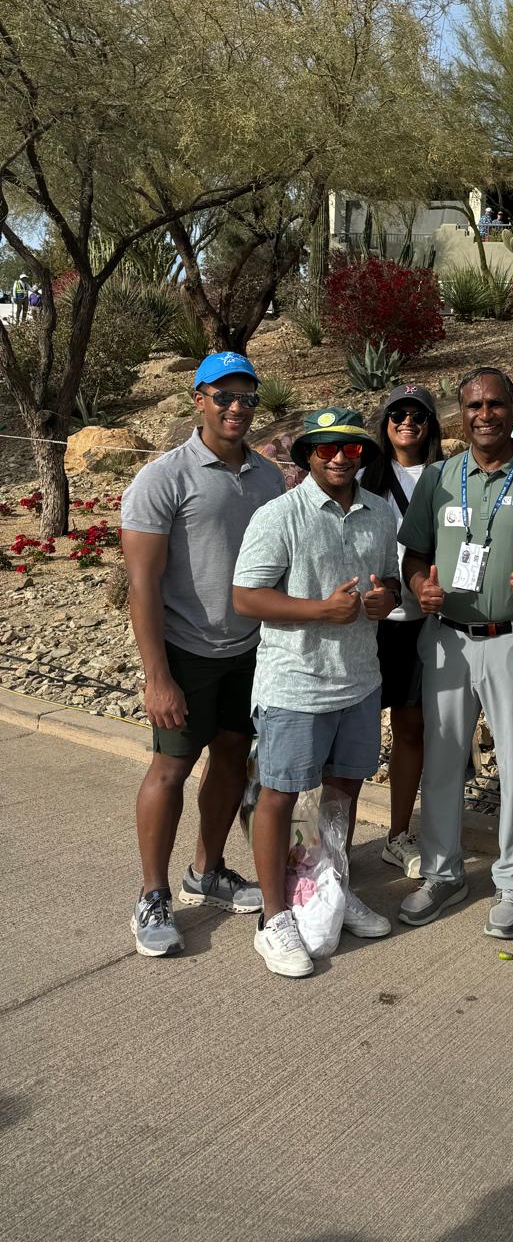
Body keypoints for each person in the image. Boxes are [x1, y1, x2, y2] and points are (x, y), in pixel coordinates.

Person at [397, 368, 513, 939]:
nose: (485, 414)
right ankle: (443, 872)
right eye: (474, 405)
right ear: (462, 412)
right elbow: (415, 554)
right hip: (449, 640)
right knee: (443, 758)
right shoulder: (440, 479)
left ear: (512, 408)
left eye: (496, 404)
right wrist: (420, 583)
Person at [120, 353, 283, 957]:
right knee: (170, 769)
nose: (237, 407)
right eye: (224, 396)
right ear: (199, 399)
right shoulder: (163, 479)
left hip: (250, 650)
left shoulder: (268, 477)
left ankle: (207, 872)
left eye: (247, 398)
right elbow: (142, 584)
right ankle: (152, 893)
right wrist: (156, 677)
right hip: (187, 651)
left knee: (233, 760)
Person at [232, 408, 401, 977]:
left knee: (341, 794)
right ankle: (274, 916)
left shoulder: (380, 514)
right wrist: (319, 611)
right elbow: (246, 597)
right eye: (324, 448)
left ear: (363, 457)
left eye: (350, 450)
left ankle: (328, 883)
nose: (337, 458)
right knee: (280, 795)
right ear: (306, 455)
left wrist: (386, 598)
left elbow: (389, 581)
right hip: (296, 683)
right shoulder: (278, 515)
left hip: (358, 680)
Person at [357, 383, 444, 876]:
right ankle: (330, 837)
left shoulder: (446, 476)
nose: (407, 421)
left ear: (431, 423)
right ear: (384, 421)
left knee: (411, 727)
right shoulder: (366, 474)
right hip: (370, 620)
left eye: (418, 414)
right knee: (357, 729)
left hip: (421, 620)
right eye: (397, 413)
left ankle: (398, 833)